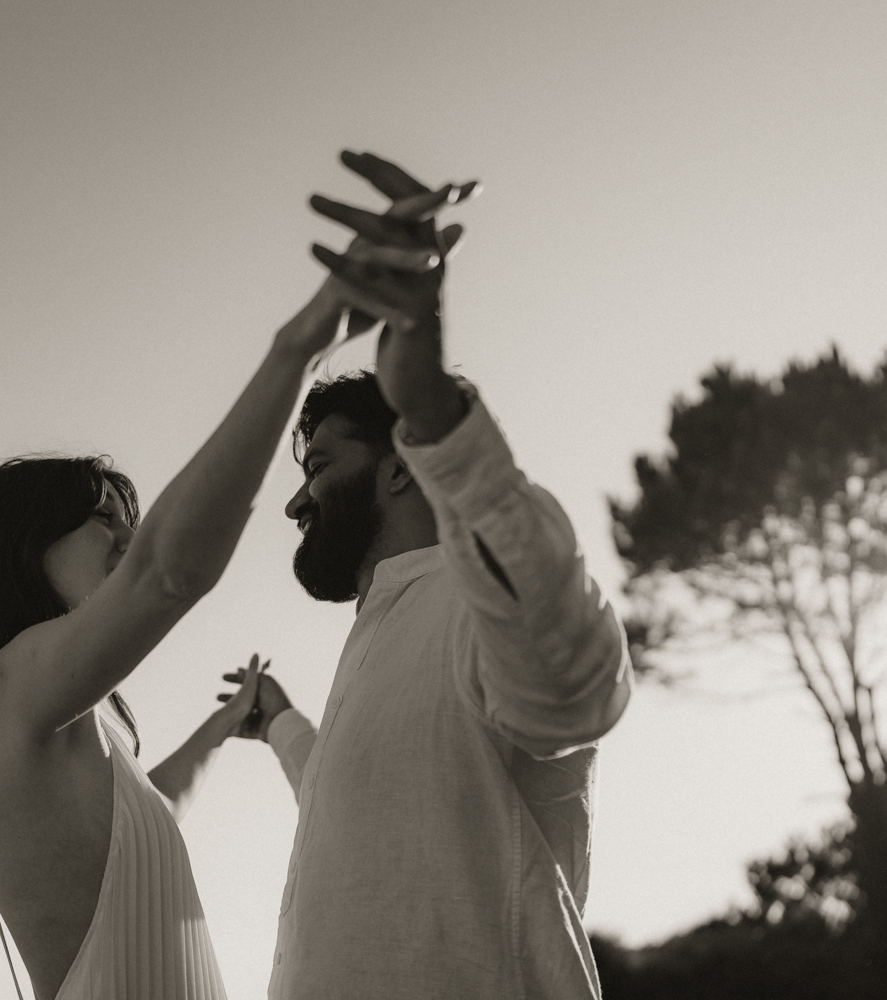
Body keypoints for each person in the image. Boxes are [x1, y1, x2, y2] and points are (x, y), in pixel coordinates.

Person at [0, 162, 474, 1000]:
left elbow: (148, 812)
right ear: (23, 545)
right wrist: (302, 343)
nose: (128, 542)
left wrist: (227, 727)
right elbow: (169, 572)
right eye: (105, 520)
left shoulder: (62, 725)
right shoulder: (8, 685)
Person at [245, 151, 634, 999]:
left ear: (398, 467)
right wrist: (279, 722)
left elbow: (579, 687)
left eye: (319, 466)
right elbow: (348, 793)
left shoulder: (475, 601)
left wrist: (433, 410)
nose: (297, 503)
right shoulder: (383, 628)